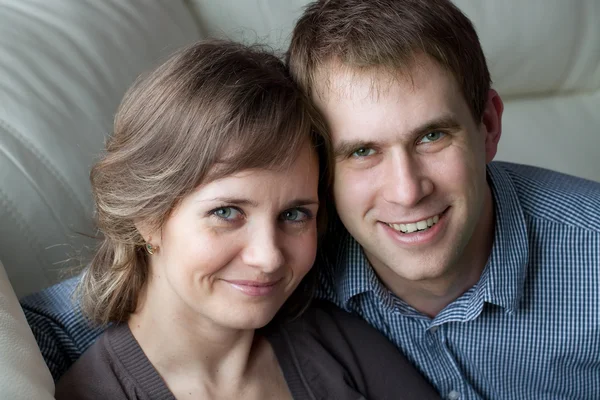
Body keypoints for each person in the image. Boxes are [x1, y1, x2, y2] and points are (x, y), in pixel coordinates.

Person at [48, 40, 438, 399]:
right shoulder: (90, 393)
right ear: (147, 215)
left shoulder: (337, 342)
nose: (268, 257)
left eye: (294, 214)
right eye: (226, 212)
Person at [285, 0, 600, 399]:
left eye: (432, 136)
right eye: (362, 152)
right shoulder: (289, 276)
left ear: (487, 126)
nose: (407, 191)